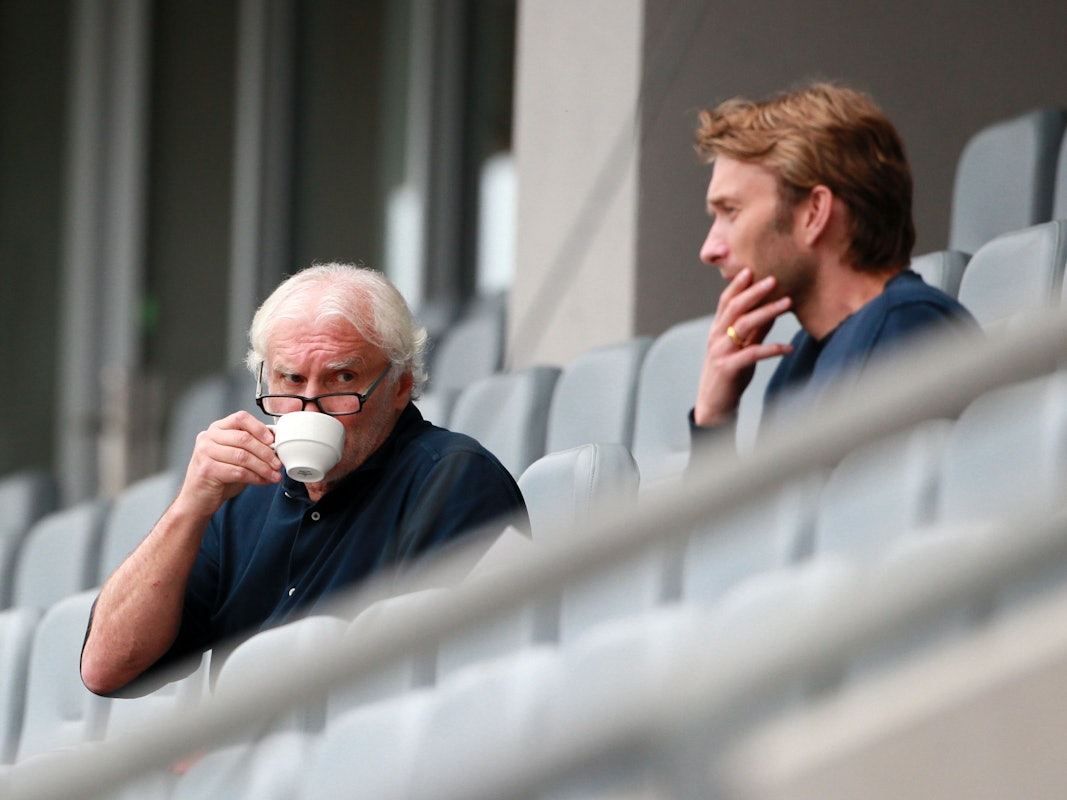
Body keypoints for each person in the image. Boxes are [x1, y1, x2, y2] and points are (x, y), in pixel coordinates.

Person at [81, 263, 528, 696]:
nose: (308, 407)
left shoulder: (454, 480)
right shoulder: (239, 496)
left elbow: (429, 681)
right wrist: (189, 507)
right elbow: (106, 669)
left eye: (342, 379)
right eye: (290, 379)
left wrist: (234, 741)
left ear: (400, 387)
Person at [690, 81, 978, 443]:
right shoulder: (798, 366)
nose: (709, 250)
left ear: (814, 213)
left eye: (730, 211)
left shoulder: (908, 327)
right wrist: (713, 418)